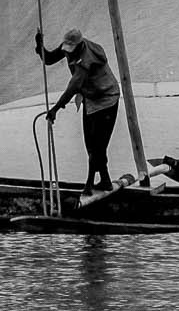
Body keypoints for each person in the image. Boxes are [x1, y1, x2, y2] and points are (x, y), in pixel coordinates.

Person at [35, 26, 120, 195]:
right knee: (90, 143)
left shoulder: (86, 60)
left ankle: (89, 186)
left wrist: (55, 109)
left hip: (107, 99)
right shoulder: (69, 48)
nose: (68, 53)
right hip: (91, 99)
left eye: (71, 50)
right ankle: (106, 181)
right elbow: (50, 59)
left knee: (97, 146)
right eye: (67, 49)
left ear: (80, 45)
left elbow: (73, 87)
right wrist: (40, 45)